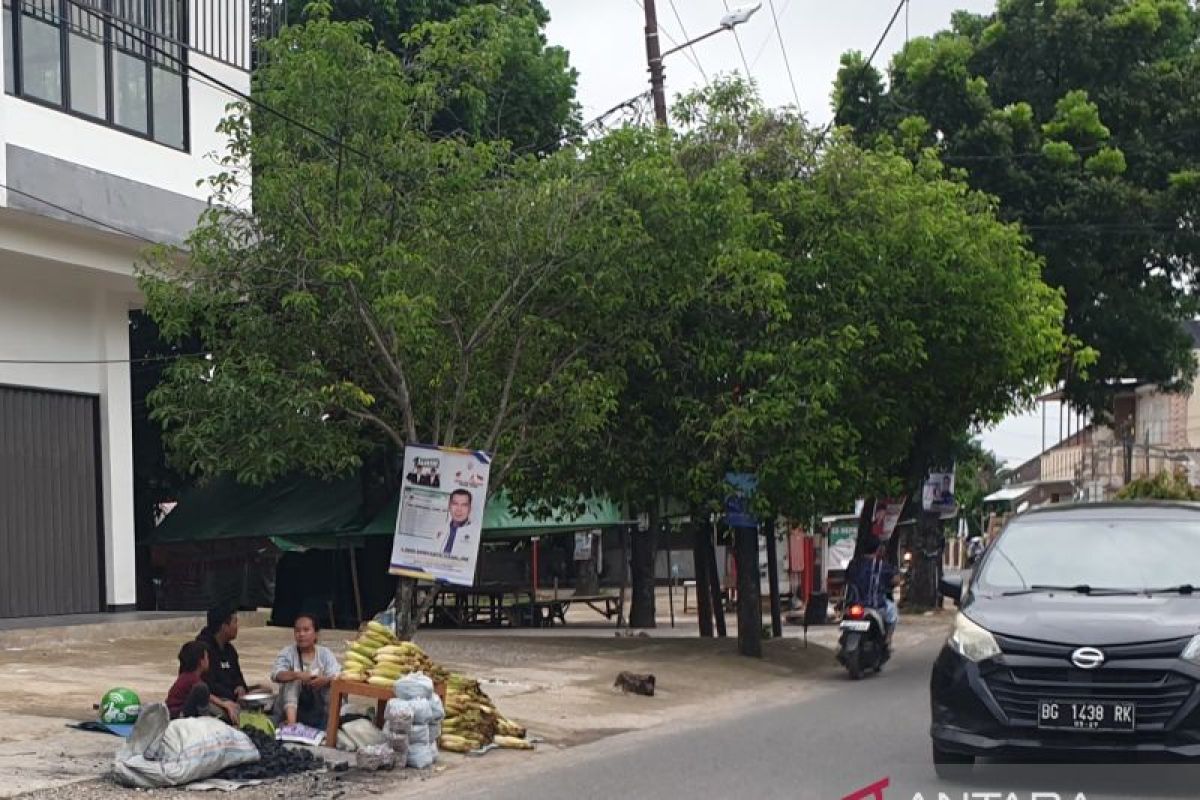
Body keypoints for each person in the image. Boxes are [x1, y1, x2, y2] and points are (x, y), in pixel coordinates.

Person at [270, 613, 340, 729]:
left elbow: (338, 674)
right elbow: (276, 674)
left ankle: (330, 725)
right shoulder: (287, 652)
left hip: (318, 709)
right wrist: (298, 675)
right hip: (290, 708)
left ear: (316, 634)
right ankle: (291, 726)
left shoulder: (325, 654)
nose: (301, 634)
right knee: (293, 680)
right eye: (297, 631)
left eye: (306, 630)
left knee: (333, 685)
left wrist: (325, 680)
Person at [196, 605, 248, 724]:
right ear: (224, 626)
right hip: (214, 700)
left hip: (231, 698)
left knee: (264, 690)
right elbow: (204, 687)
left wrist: (240, 687)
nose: (237, 627)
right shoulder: (202, 651)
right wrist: (226, 702)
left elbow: (238, 677)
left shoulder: (230, 650)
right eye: (235, 622)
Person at [845, 540, 901, 646]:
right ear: (878, 550)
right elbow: (896, 580)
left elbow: (847, 579)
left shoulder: (854, 564)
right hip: (876, 605)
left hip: (854, 604)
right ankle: (888, 639)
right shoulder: (881, 566)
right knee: (893, 612)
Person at [165, 641, 212, 720]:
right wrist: (224, 704)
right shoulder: (191, 678)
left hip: (173, 713)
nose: (209, 660)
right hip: (177, 715)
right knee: (202, 689)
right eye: (207, 657)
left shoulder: (186, 676)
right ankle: (205, 720)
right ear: (201, 661)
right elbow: (208, 696)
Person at [438, 489, 473, 556]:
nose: (459, 509)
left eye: (464, 505)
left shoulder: (475, 534)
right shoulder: (440, 528)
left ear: (470, 509)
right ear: (449, 506)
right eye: (455, 504)